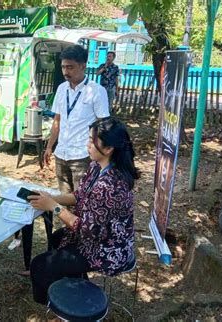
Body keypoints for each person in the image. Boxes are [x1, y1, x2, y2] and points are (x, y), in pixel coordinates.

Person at [29, 117, 139, 304]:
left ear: (108, 149)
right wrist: (50, 196)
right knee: (57, 238)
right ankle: (76, 286)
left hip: (108, 248)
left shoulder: (110, 185)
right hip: (97, 237)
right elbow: (79, 195)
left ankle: (62, 308)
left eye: (91, 141)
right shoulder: (97, 166)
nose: (87, 144)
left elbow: (88, 231)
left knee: (40, 266)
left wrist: (52, 206)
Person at [44, 45, 110, 194]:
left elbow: (103, 125)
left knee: (82, 200)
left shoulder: (97, 91)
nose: (66, 72)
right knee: (64, 197)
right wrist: (49, 147)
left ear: (83, 66)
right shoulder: (61, 89)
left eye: (70, 67)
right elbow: (57, 121)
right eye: (63, 67)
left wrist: (100, 156)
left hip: (83, 156)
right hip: (61, 153)